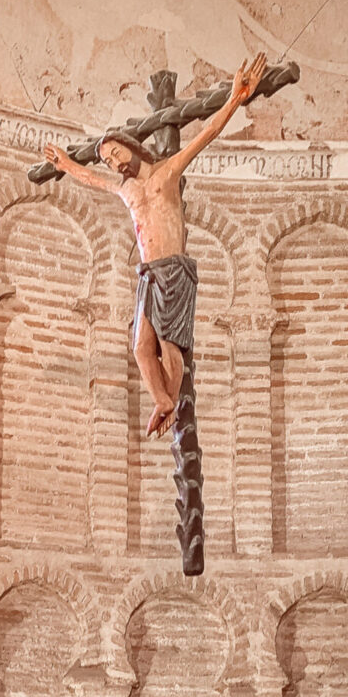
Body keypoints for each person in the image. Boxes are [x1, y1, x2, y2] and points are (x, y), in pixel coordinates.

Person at [43, 54, 267, 440]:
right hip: (147, 272)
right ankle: (162, 400)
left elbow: (207, 134)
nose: (113, 163)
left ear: (132, 147)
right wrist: (65, 165)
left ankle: (173, 400)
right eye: (109, 160)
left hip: (173, 268)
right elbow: (91, 180)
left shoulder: (168, 170)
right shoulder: (125, 188)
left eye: (115, 153)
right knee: (141, 347)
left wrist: (234, 98)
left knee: (167, 343)